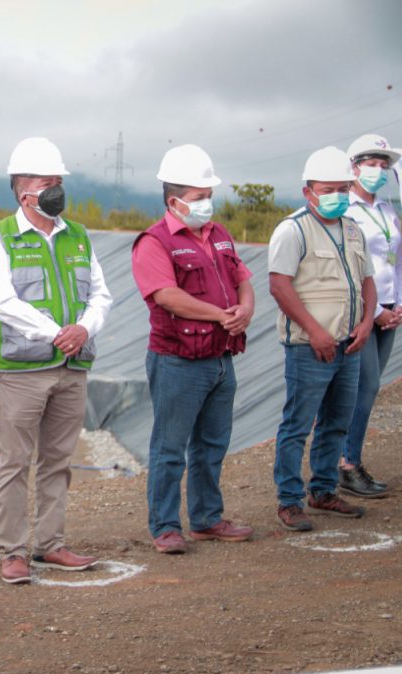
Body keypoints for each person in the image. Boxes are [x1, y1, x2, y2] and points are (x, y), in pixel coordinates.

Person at [0, 138, 112, 584]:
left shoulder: (77, 235)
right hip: (22, 371)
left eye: (58, 181)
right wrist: (56, 332)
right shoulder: (0, 237)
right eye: (46, 181)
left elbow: (101, 295)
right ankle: (13, 551)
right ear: (23, 190)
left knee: (58, 461)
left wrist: (85, 329)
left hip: (73, 368)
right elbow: (2, 302)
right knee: (14, 462)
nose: (56, 189)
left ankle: (51, 545)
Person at [131, 145, 255, 554]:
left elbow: (242, 278)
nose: (207, 203)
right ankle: (165, 527)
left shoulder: (219, 234)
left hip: (220, 358)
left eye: (208, 195)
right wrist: (222, 315)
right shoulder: (154, 242)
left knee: (213, 444)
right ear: (175, 201)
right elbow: (166, 295)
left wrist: (245, 310)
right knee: (170, 448)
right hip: (178, 361)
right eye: (200, 196)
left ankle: (206, 518)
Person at [268, 146, 376, 532]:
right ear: (308, 191)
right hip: (308, 347)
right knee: (297, 424)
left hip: (349, 344)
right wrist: (315, 331)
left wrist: (366, 322)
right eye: (328, 189)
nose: (338, 196)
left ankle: (324, 489)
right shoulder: (292, 230)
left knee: (336, 422)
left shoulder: (352, 228)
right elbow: (279, 285)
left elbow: (366, 281)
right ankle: (290, 500)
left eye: (343, 188)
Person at [339, 134, 402, 498]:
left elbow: (397, 262)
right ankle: (346, 464)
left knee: (369, 387)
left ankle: (346, 460)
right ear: (354, 168)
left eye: (384, 166)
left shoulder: (387, 210)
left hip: (388, 313)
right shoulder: (346, 210)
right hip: (362, 313)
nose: (378, 171)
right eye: (372, 164)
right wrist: (376, 311)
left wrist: (401, 306)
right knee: (363, 389)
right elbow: (351, 268)